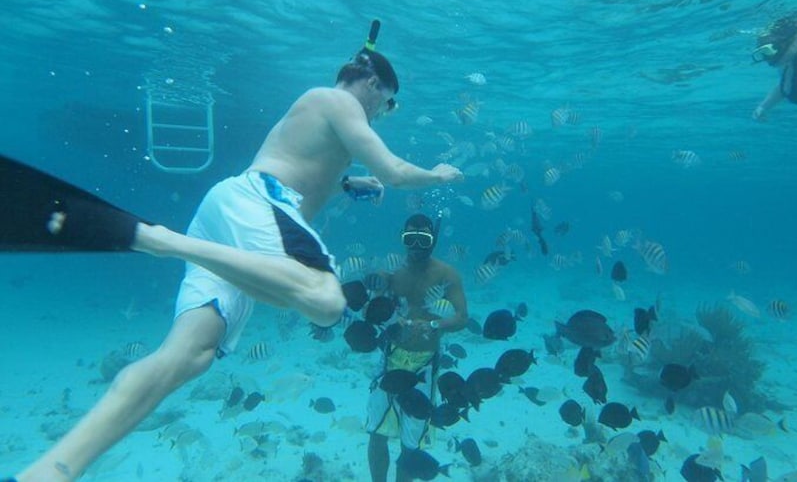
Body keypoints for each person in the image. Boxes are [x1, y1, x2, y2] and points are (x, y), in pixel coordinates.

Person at [9, 47, 463, 482]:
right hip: (257, 206)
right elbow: (397, 172)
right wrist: (438, 174)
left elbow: (302, 162)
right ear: (372, 83)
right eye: (388, 102)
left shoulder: (320, 109)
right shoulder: (338, 100)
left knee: (189, 357)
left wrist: (346, 184)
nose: (384, 112)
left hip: (232, 220)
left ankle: (55, 467)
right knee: (325, 302)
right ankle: (162, 240)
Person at [366, 213, 468, 482]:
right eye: (410, 239)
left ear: (432, 240)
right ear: (402, 238)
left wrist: (434, 326)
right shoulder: (391, 273)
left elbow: (461, 317)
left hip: (425, 363)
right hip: (390, 358)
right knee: (376, 432)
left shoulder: (447, 274)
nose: (415, 246)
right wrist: (390, 318)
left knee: (410, 443)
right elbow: (374, 311)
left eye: (422, 240)